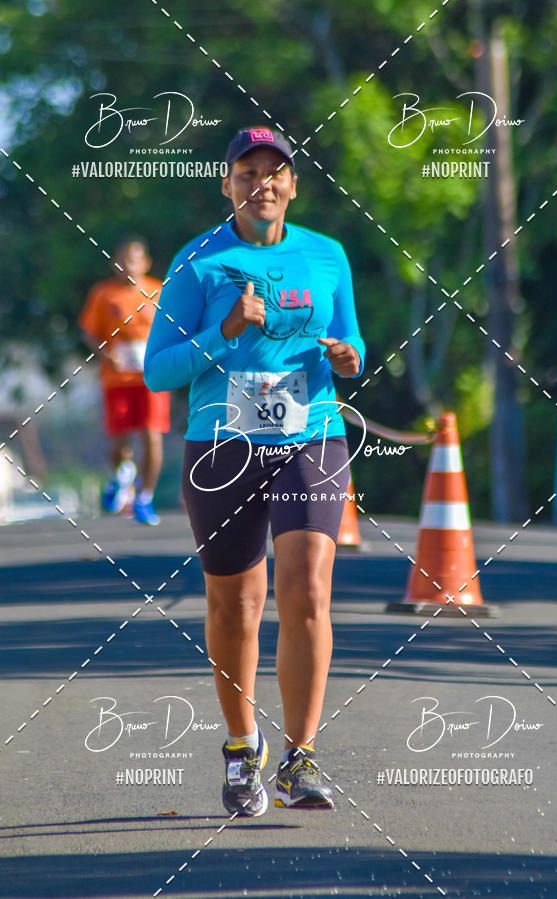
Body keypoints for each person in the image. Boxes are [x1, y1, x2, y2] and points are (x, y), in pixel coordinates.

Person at [144, 127, 365, 816]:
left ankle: (301, 758)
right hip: (223, 447)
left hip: (312, 435)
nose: (261, 184)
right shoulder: (197, 263)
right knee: (237, 606)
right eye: (247, 172)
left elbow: (353, 338)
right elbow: (158, 370)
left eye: (275, 173)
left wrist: (348, 357)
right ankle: (244, 749)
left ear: (293, 185)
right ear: (227, 183)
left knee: (306, 590)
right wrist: (225, 332)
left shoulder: (326, 256)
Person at [80, 237, 170, 526]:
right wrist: (106, 356)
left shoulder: (159, 291)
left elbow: (174, 331)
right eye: (120, 261)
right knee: (119, 442)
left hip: (151, 379)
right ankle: (123, 473)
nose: (126, 266)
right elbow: (89, 333)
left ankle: (145, 496)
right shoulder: (104, 294)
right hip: (117, 379)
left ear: (145, 263)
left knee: (152, 435)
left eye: (132, 260)